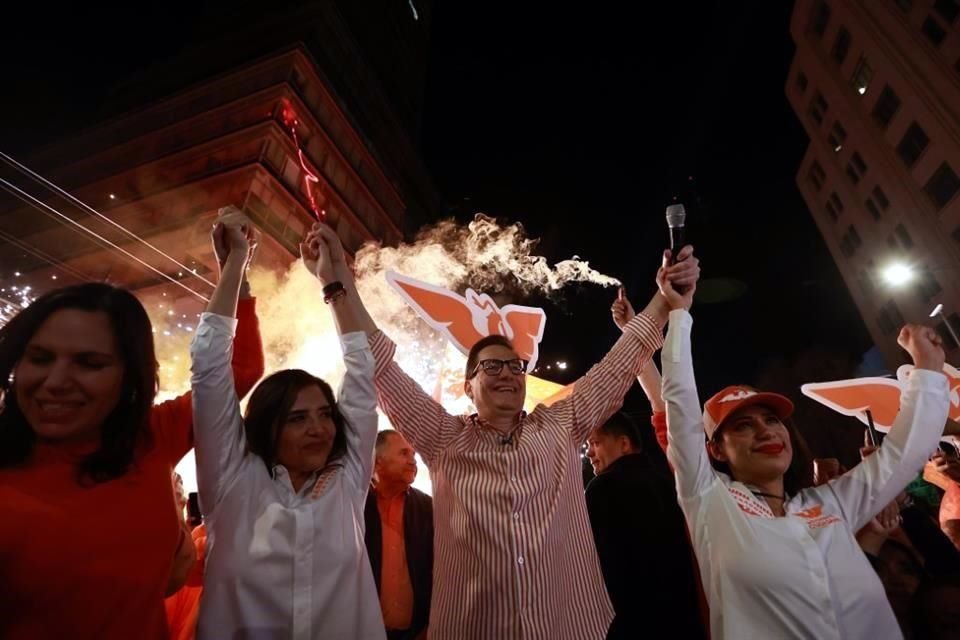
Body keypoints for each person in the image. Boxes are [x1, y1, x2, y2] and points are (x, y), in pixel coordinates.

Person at [331, 236, 699, 639]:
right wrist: (336, 286)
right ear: (468, 386)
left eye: (514, 365)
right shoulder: (442, 437)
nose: (507, 373)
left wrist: (664, 301)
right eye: (491, 367)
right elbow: (381, 368)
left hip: (566, 629)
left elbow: (619, 363)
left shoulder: (561, 424)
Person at [658, 249, 952, 640]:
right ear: (714, 450)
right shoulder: (711, 502)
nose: (766, 432)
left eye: (772, 420)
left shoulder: (827, 504)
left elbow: (902, 453)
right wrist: (677, 315)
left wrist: (928, 371)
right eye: (744, 426)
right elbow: (678, 400)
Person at [0, 256, 263, 639]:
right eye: (40, 358)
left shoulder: (150, 437)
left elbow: (238, 370)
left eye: (89, 364)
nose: (56, 381)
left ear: (130, 377)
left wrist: (235, 268)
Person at [191, 211, 384, 639]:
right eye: (297, 419)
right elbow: (208, 365)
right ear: (266, 427)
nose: (319, 428)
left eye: (325, 415)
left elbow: (364, 370)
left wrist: (334, 284)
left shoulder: (347, 481)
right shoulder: (230, 480)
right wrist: (234, 266)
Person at [584, 412, 706, 639]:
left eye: (595, 443)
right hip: (686, 618)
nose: (589, 452)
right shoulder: (669, 483)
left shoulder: (602, 489)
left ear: (624, 443)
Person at [364, 429, 434, 640]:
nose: (413, 461)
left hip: (416, 633)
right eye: (404, 454)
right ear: (377, 462)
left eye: (413, 455)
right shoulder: (356, 506)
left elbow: (438, 570)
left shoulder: (428, 508)